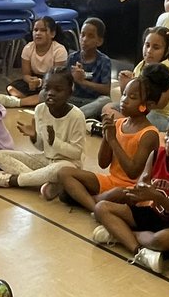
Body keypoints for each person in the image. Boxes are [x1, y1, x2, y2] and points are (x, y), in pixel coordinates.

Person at [93, 102, 169, 274]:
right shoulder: (157, 154)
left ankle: (120, 235)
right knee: (102, 208)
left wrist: (157, 197)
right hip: (154, 214)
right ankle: (139, 251)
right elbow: (141, 185)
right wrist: (136, 192)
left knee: (164, 239)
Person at [0, 68, 84, 197]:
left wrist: (54, 141)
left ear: (70, 92)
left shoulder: (77, 116)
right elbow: (42, 147)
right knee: (0, 155)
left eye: (58, 90)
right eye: (46, 88)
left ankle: (11, 180)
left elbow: (76, 153)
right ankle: (43, 183)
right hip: (46, 160)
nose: (50, 93)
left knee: (60, 169)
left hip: (68, 165)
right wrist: (34, 137)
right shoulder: (40, 109)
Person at [56, 77, 159, 214]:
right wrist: (106, 136)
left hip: (132, 189)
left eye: (132, 97)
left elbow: (132, 172)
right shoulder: (118, 123)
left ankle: (85, 200)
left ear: (148, 105)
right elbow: (103, 163)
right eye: (124, 94)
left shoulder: (149, 134)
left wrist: (113, 140)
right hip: (110, 181)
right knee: (64, 172)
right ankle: (95, 206)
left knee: (119, 193)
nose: (124, 100)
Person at [116, 28, 169, 132]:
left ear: (166, 50)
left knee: (138, 119)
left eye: (156, 48)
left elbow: (160, 105)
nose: (149, 51)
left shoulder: (168, 72)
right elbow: (129, 98)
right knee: (107, 106)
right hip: (142, 109)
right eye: (147, 45)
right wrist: (125, 85)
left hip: (163, 117)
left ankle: (120, 126)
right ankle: (121, 125)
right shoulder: (141, 65)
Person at [0, 17, 67, 109]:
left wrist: (40, 83)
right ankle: (34, 101)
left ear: (52, 34)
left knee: (52, 92)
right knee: (11, 88)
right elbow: (26, 74)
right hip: (34, 79)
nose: (38, 33)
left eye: (43, 30)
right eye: (35, 30)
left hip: (52, 81)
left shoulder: (59, 50)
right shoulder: (28, 48)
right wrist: (30, 80)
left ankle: (19, 102)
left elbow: (58, 77)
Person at [67, 17, 113, 120]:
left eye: (90, 36)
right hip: (73, 99)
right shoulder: (72, 58)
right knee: (45, 94)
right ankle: (78, 116)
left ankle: (74, 117)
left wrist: (82, 81)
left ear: (99, 41)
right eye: (82, 35)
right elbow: (64, 83)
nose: (84, 39)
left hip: (92, 101)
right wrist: (72, 78)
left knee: (105, 101)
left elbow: (106, 89)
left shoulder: (104, 61)